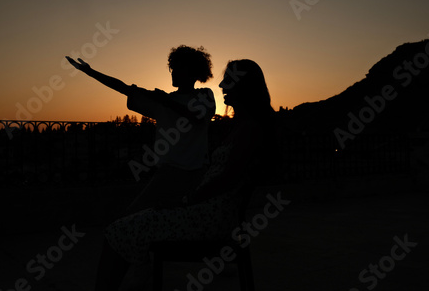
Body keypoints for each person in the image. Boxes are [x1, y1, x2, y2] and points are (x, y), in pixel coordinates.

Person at [94, 59, 278, 290]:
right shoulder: (243, 127)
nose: (221, 85)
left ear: (243, 86)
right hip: (206, 210)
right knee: (127, 226)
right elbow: (127, 89)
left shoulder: (247, 128)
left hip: (208, 218)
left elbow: (226, 180)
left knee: (118, 231)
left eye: (228, 80)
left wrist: (184, 202)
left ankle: (138, 269)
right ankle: (141, 266)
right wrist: (92, 72)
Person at [66, 45, 216, 211]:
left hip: (196, 173)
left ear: (192, 72)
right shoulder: (161, 100)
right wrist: (90, 72)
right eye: (172, 68)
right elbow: (124, 88)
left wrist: (166, 102)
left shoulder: (204, 95)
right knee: (138, 215)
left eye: (177, 68)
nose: (173, 72)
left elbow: (197, 117)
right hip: (167, 172)